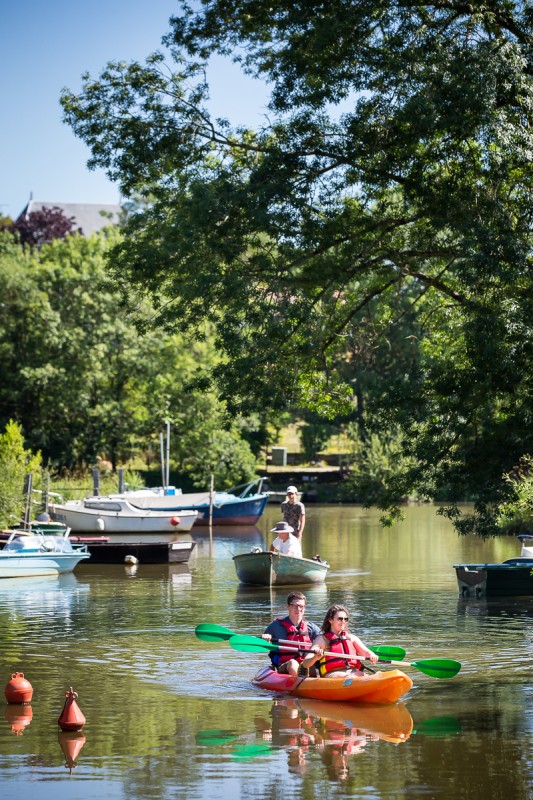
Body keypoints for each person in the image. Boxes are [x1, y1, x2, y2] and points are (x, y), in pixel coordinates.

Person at [299, 604, 378, 678]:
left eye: (345, 619)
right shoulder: (322, 639)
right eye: (340, 619)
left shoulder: (352, 638)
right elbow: (306, 663)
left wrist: (372, 655)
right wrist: (315, 657)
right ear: (330, 620)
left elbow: (366, 652)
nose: (343, 621)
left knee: (363, 675)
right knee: (352, 677)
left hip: (353, 672)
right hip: (332, 674)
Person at [262, 591, 322, 675]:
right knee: (293, 663)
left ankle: (310, 683)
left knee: (312, 666)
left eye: (301, 606)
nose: (298, 609)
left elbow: (324, 640)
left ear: (304, 607)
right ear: (288, 606)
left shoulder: (311, 628)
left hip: (305, 664)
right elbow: (264, 646)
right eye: (295, 606)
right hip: (284, 666)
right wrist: (266, 639)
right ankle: (301, 683)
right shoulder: (275, 626)